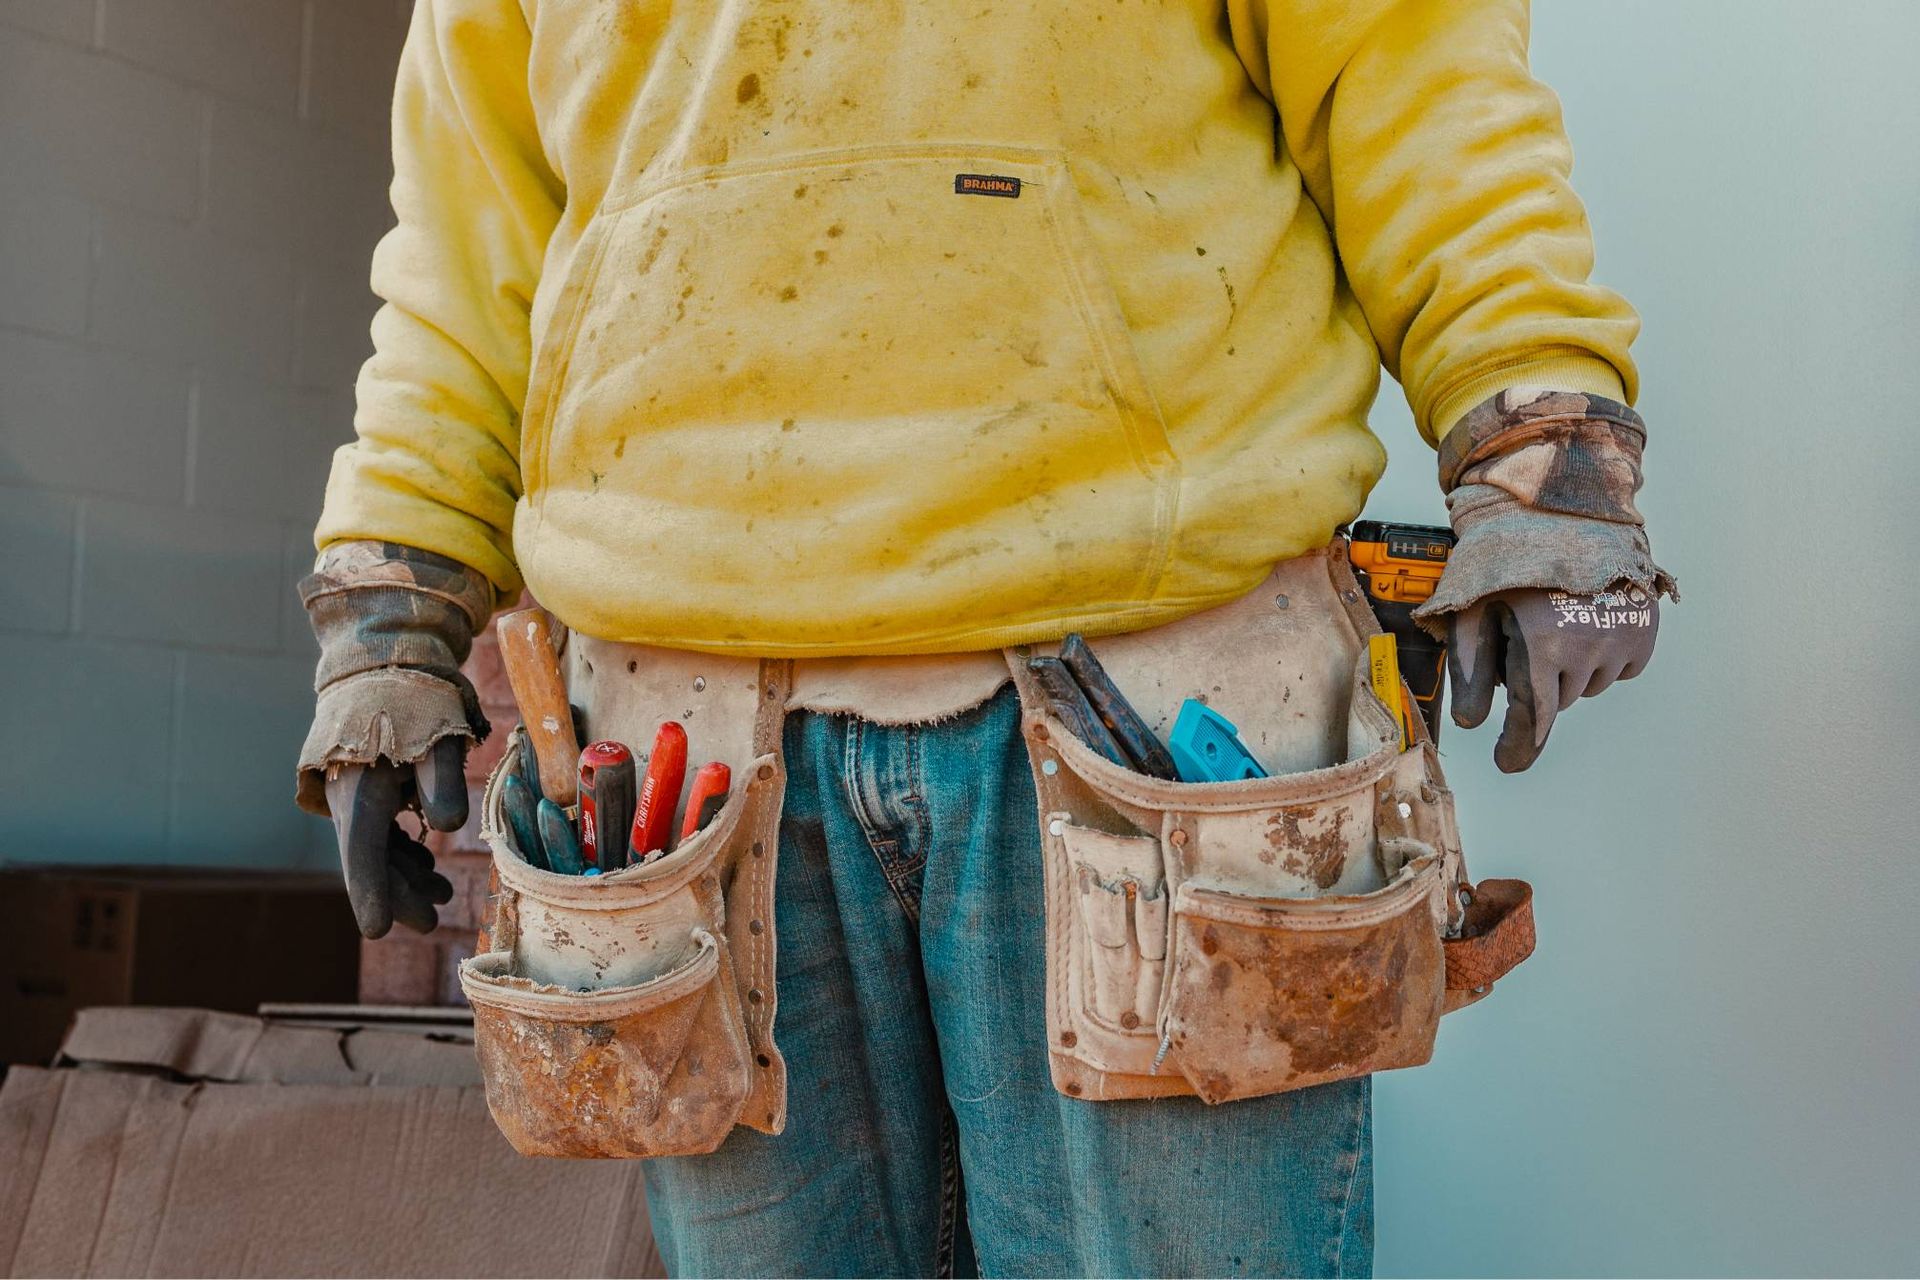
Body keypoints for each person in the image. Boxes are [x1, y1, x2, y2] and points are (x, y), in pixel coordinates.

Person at [297, 1, 1669, 1273]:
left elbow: (1409, 72)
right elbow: (469, 248)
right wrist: (389, 614)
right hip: (691, 746)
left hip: (1150, 697)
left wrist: (1548, 454)